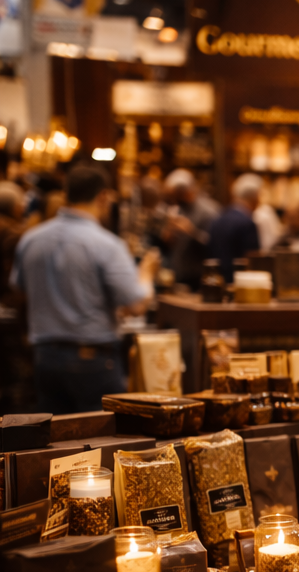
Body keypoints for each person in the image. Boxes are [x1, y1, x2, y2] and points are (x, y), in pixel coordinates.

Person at [9, 166, 157, 412]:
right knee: (102, 440)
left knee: (56, 440)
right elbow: (137, 305)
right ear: (103, 197)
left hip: (44, 355)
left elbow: (18, 289)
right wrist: (147, 274)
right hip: (92, 357)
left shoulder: (32, 239)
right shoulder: (105, 244)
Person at [161, 168, 220, 285]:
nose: (174, 200)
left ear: (188, 191)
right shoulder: (177, 207)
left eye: (178, 195)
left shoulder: (209, 211)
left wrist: (192, 231)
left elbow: (215, 245)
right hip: (178, 273)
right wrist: (167, 236)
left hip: (199, 276)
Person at [206, 174, 263, 279]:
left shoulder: (217, 219)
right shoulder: (247, 223)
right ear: (254, 198)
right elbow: (252, 260)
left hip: (218, 280)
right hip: (239, 282)